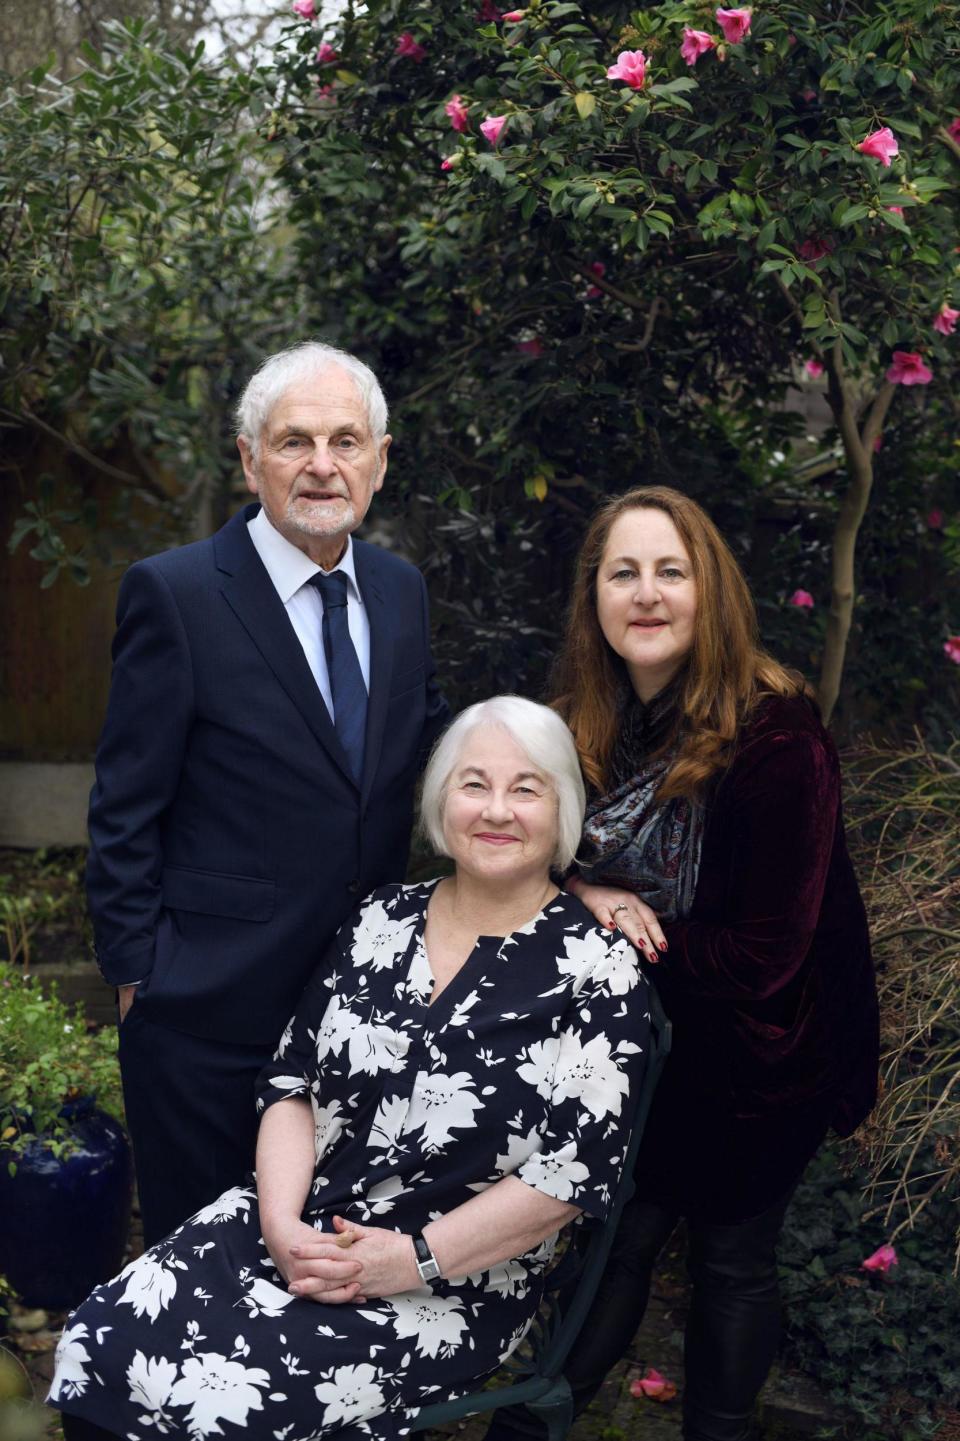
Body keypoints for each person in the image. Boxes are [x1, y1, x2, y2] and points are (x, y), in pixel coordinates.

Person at [50, 697, 652, 1441]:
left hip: (450, 1281)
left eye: (527, 787)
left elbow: (570, 1177)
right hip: (297, 1225)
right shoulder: (381, 918)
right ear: (440, 801)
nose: (497, 809)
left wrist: (409, 1261)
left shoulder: (597, 969)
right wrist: (277, 1224)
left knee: (223, 1408)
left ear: (563, 810)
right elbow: (290, 1081)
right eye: (474, 783)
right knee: (100, 1341)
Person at [487, 486, 879, 1441]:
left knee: (732, 1259)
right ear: (596, 600)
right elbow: (515, 856)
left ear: (711, 593)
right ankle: (524, 1430)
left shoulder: (778, 735)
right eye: (624, 572)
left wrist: (616, 934)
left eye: (673, 570)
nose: (648, 593)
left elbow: (764, 956)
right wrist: (581, 894)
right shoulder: (583, 725)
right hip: (641, 1047)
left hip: (764, 1051)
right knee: (615, 1247)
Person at [85, 341, 448, 1245]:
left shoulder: (400, 592)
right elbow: (125, 807)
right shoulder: (174, 594)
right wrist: (141, 979)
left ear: (380, 459)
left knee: (326, 1278)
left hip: (361, 1015)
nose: (322, 465)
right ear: (250, 460)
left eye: (345, 441)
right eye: (294, 442)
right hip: (206, 1019)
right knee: (199, 1276)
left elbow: (427, 757)